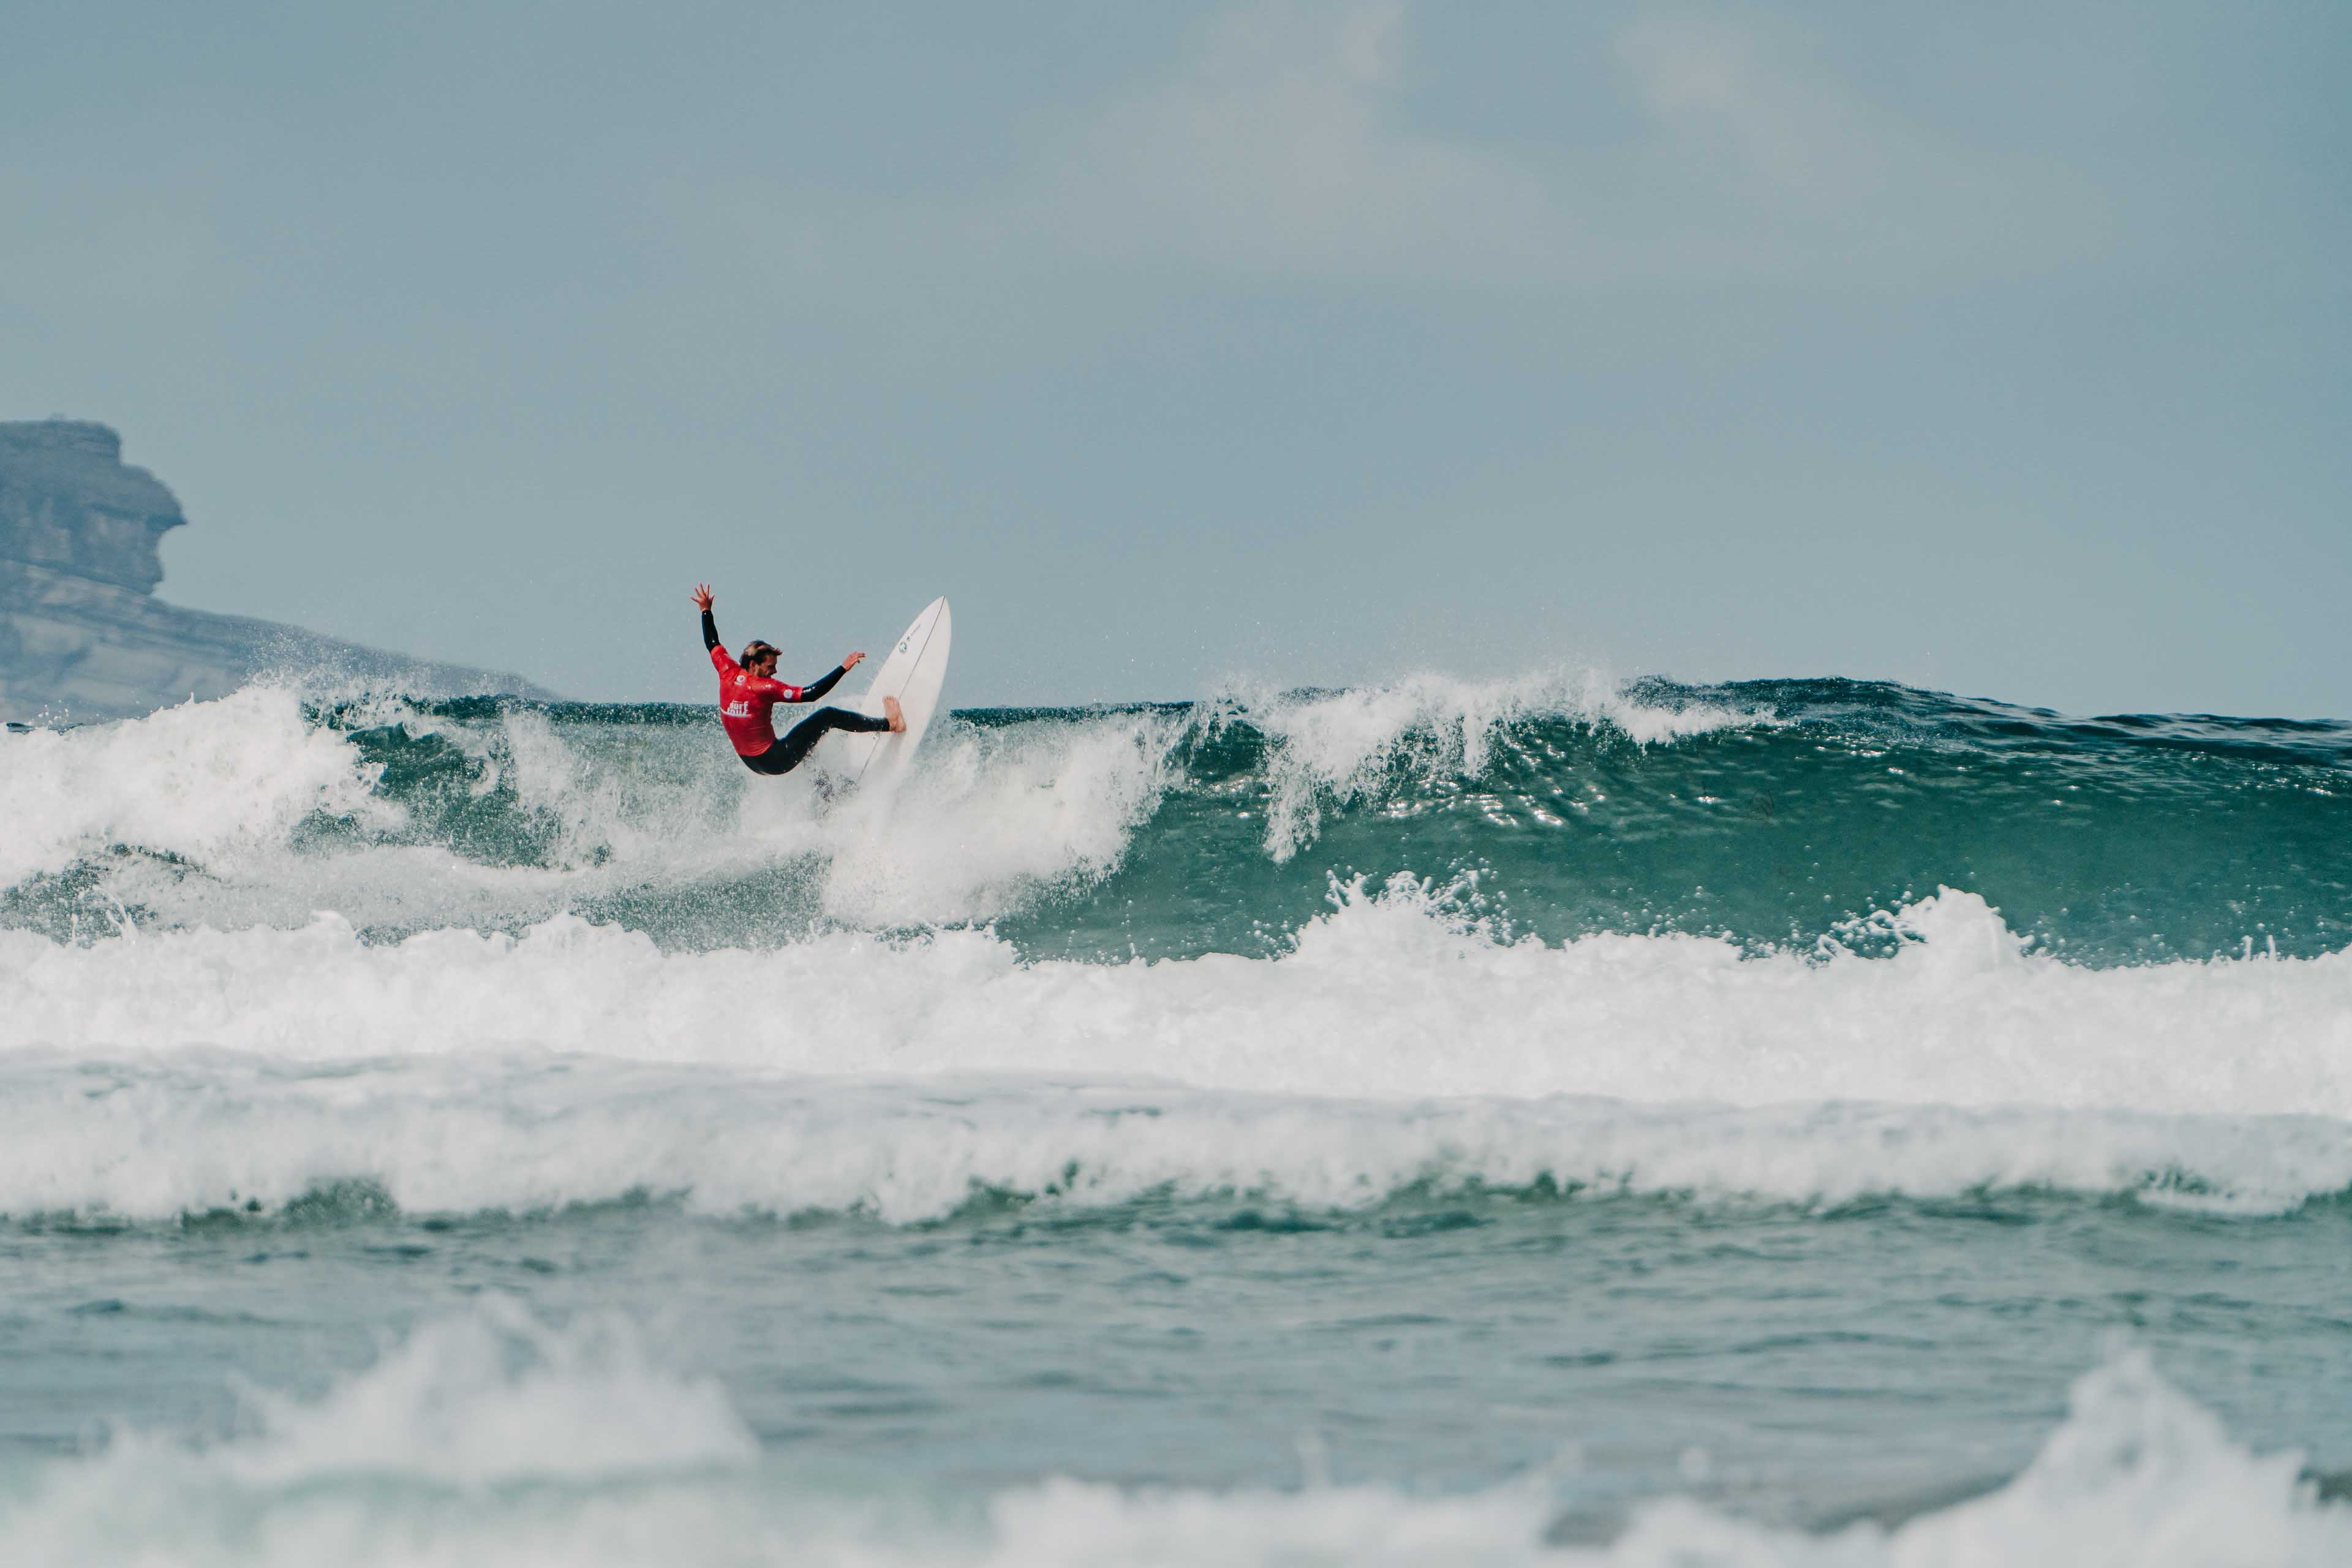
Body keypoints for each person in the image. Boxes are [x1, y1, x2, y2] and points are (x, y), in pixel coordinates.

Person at [692, 583, 902, 776]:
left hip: (751, 762)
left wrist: (705, 610)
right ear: (753, 665)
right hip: (775, 760)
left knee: (808, 746)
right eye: (770, 667)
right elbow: (811, 694)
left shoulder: (727, 671)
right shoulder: (764, 688)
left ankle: (828, 798)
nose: (775, 672)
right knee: (828, 716)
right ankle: (890, 724)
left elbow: (712, 642)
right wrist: (843, 668)